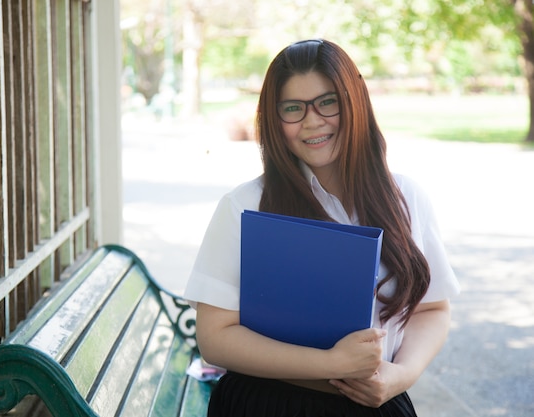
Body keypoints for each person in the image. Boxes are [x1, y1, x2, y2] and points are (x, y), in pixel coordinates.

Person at [184, 38, 460, 417]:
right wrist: (332, 364)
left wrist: (401, 377)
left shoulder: (406, 197)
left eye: (327, 102)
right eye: (292, 109)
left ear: (355, 102)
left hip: (378, 404)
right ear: (273, 117)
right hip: (268, 405)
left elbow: (433, 309)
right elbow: (215, 339)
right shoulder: (244, 206)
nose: (312, 122)